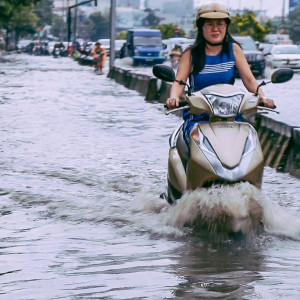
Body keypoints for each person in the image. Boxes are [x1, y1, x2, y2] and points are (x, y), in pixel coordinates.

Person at [166, 1, 275, 146]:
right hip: (198, 118)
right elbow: (179, 82)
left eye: (220, 24)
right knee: (193, 145)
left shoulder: (234, 49)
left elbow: (249, 80)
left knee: (249, 145)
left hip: (230, 118)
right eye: (210, 24)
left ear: (226, 27)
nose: (215, 29)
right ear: (201, 27)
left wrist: (263, 97)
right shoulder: (191, 53)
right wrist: (173, 97)